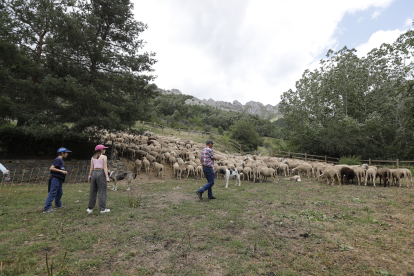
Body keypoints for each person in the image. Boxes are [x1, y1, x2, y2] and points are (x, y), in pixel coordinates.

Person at [43, 147, 71, 214]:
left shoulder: (61, 160)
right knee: (53, 192)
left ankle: (58, 205)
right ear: (62, 153)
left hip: (59, 179)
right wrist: (62, 171)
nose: (67, 154)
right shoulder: (58, 159)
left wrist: (63, 172)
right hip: (55, 179)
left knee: (59, 192)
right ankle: (46, 208)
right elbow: (51, 168)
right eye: (66, 152)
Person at [87, 144, 111, 214]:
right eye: (104, 149)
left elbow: (91, 168)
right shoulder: (104, 157)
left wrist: (89, 176)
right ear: (101, 150)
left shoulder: (93, 157)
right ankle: (103, 209)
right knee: (102, 191)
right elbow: (105, 167)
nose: (105, 150)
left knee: (93, 191)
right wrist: (107, 177)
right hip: (101, 173)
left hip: (94, 173)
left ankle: (90, 208)